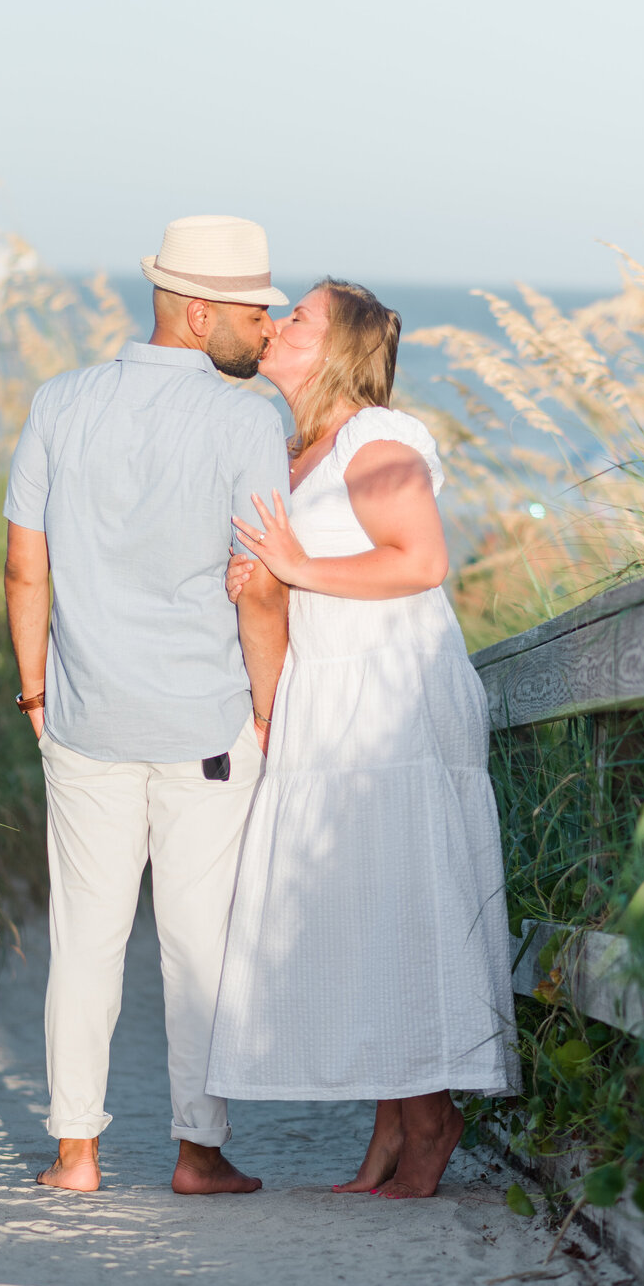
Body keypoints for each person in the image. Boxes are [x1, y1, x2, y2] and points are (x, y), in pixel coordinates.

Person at [205, 279, 519, 1198]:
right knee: (360, 906)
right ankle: (391, 1129)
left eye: (295, 316)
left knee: (394, 899)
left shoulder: (378, 439)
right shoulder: (295, 447)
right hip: (327, 694)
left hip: (392, 699)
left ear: (337, 345)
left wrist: (296, 564)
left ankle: (429, 1122)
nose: (276, 325)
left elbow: (419, 559)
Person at [3, 215, 290, 1195]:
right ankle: (197, 1150)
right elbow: (258, 584)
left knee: (85, 937)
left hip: (84, 718)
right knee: (197, 939)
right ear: (200, 310)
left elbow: (23, 563)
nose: (269, 327)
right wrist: (269, 708)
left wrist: (36, 689)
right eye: (255, 312)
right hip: (208, 723)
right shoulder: (251, 420)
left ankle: (74, 1153)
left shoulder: (59, 402)